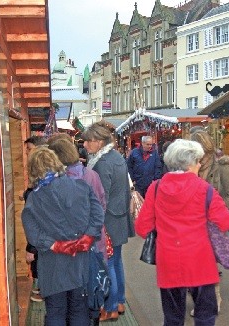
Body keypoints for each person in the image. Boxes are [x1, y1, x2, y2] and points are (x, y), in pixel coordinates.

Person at [135, 139, 229, 325]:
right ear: (190, 163)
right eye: (198, 161)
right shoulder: (205, 189)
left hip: (169, 260)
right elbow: (226, 222)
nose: (199, 164)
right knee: (205, 315)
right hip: (200, 259)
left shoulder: (155, 188)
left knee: (172, 317)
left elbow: (142, 228)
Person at [21, 147, 104, 325]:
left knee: (56, 311)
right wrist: (88, 237)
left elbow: (32, 230)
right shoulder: (81, 186)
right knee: (79, 308)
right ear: (57, 163)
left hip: (53, 263)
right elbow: (98, 215)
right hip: (79, 259)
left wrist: (53, 245)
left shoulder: (34, 198)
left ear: (33, 170)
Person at [82, 121, 132, 321]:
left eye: (89, 141)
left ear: (100, 142)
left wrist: (95, 224)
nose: (85, 145)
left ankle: (110, 307)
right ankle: (119, 301)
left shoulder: (102, 164)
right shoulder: (116, 157)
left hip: (107, 221)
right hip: (118, 218)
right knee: (116, 262)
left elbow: (100, 199)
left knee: (108, 263)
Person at [190, 130, 229, 314]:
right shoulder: (189, 168)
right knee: (194, 264)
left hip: (212, 225)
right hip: (192, 225)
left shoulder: (221, 168)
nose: (199, 157)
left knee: (209, 264)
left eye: (202, 151)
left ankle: (214, 298)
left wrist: (216, 208)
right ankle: (199, 299)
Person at [23, 135, 47, 302]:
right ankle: (43, 288)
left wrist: (31, 248)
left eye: (29, 150)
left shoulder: (43, 178)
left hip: (42, 236)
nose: (27, 154)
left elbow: (38, 217)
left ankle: (45, 290)